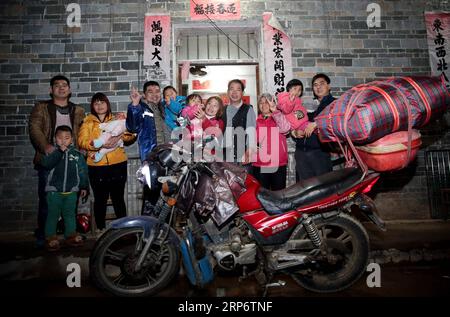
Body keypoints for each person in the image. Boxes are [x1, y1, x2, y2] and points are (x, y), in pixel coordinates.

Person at [29, 75, 85, 247]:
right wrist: (46, 146)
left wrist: (82, 148)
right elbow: (34, 128)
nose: (61, 88)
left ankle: (70, 233)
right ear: (51, 90)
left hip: (71, 160)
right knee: (48, 201)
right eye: (57, 85)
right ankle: (45, 236)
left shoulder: (78, 110)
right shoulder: (42, 107)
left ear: (69, 89)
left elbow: (84, 131)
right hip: (50, 159)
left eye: (64, 85)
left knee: (71, 200)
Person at [78, 93, 135, 234]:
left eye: (102, 102)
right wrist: (96, 146)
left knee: (118, 198)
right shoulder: (87, 122)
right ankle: (101, 229)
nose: (99, 106)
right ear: (92, 106)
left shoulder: (117, 118)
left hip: (118, 164)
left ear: (107, 104)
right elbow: (81, 141)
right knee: (100, 198)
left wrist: (119, 136)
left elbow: (131, 134)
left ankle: (124, 230)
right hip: (96, 166)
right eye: (96, 103)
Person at [40, 125, 89, 251]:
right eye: (60, 138)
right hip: (54, 191)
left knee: (70, 214)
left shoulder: (77, 155)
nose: (63, 141)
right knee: (52, 215)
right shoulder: (51, 153)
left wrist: (84, 186)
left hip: (71, 191)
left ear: (71, 140)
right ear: (55, 139)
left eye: (66, 138)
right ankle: (50, 238)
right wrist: (59, 152)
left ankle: (70, 235)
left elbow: (83, 171)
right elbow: (46, 164)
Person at [126, 82, 167, 214]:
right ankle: (147, 228)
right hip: (151, 158)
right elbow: (133, 127)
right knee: (151, 193)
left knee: (165, 194)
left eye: (157, 91)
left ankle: (162, 227)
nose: (155, 94)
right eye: (150, 91)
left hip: (166, 158)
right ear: (144, 94)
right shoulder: (142, 108)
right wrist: (134, 105)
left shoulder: (162, 109)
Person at [291, 73, 335, 180]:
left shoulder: (334, 103)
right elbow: (296, 122)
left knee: (322, 189)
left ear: (329, 86)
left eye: (321, 83)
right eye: (315, 85)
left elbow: (336, 119)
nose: (318, 87)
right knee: (303, 190)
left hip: (319, 153)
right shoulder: (307, 106)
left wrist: (316, 124)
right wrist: (294, 132)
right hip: (301, 153)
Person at [252, 93, 291, 190]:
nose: (263, 105)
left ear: (272, 103)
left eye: (266, 102)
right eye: (261, 103)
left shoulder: (278, 118)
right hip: (259, 164)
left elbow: (286, 129)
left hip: (278, 163)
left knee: (278, 196)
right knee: (261, 196)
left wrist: (275, 111)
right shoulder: (255, 122)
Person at [222, 79, 257, 170]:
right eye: (231, 89)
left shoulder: (248, 109)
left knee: (243, 183)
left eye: (238, 89)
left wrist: (249, 152)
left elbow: (251, 132)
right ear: (227, 92)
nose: (234, 92)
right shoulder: (223, 110)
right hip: (225, 157)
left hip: (242, 157)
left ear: (242, 93)